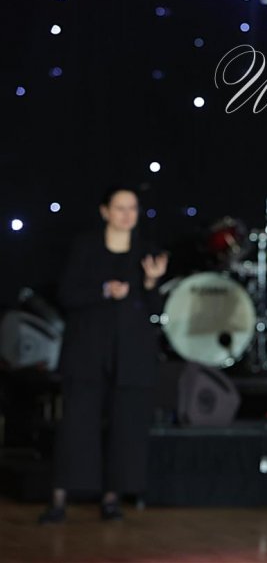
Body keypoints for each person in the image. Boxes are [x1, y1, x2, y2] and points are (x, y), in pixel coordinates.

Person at [39, 186, 168, 523]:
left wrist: (151, 283)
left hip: (131, 352)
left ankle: (112, 498)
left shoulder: (146, 250)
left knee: (126, 426)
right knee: (76, 423)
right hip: (88, 349)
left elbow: (155, 310)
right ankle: (60, 498)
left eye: (132, 208)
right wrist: (104, 290)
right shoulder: (86, 246)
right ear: (105, 211)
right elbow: (67, 294)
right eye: (120, 207)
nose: (127, 215)